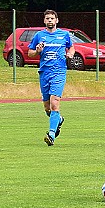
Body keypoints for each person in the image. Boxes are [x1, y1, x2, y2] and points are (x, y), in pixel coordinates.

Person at [28, 9, 75, 146]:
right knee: (48, 108)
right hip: (44, 72)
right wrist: (37, 51)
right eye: (47, 18)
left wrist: (70, 54)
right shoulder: (39, 36)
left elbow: (71, 48)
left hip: (59, 72)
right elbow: (30, 53)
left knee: (55, 102)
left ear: (56, 21)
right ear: (44, 21)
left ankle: (51, 134)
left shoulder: (64, 35)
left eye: (52, 18)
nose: (50, 20)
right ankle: (58, 119)